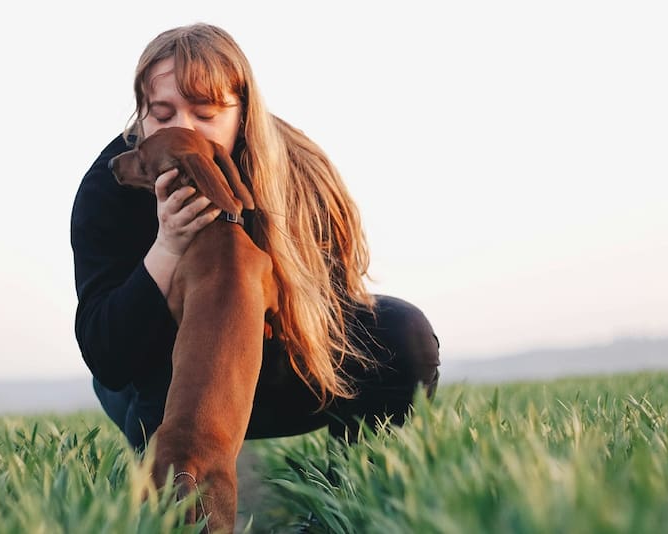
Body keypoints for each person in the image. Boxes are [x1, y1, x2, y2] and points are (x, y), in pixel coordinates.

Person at [71, 23, 440, 450]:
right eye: (163, 113)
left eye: (206, 114)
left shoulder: (297, 166)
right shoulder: (113, 183)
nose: (186, 129)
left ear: (243, 113)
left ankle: (349, 498)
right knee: (169, 335)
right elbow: (108, 359)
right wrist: (167, 248)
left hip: (285, 365)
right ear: (141, 112)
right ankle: (175, 496)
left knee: (403, 335)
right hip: (162, 381)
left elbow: (335, 302)